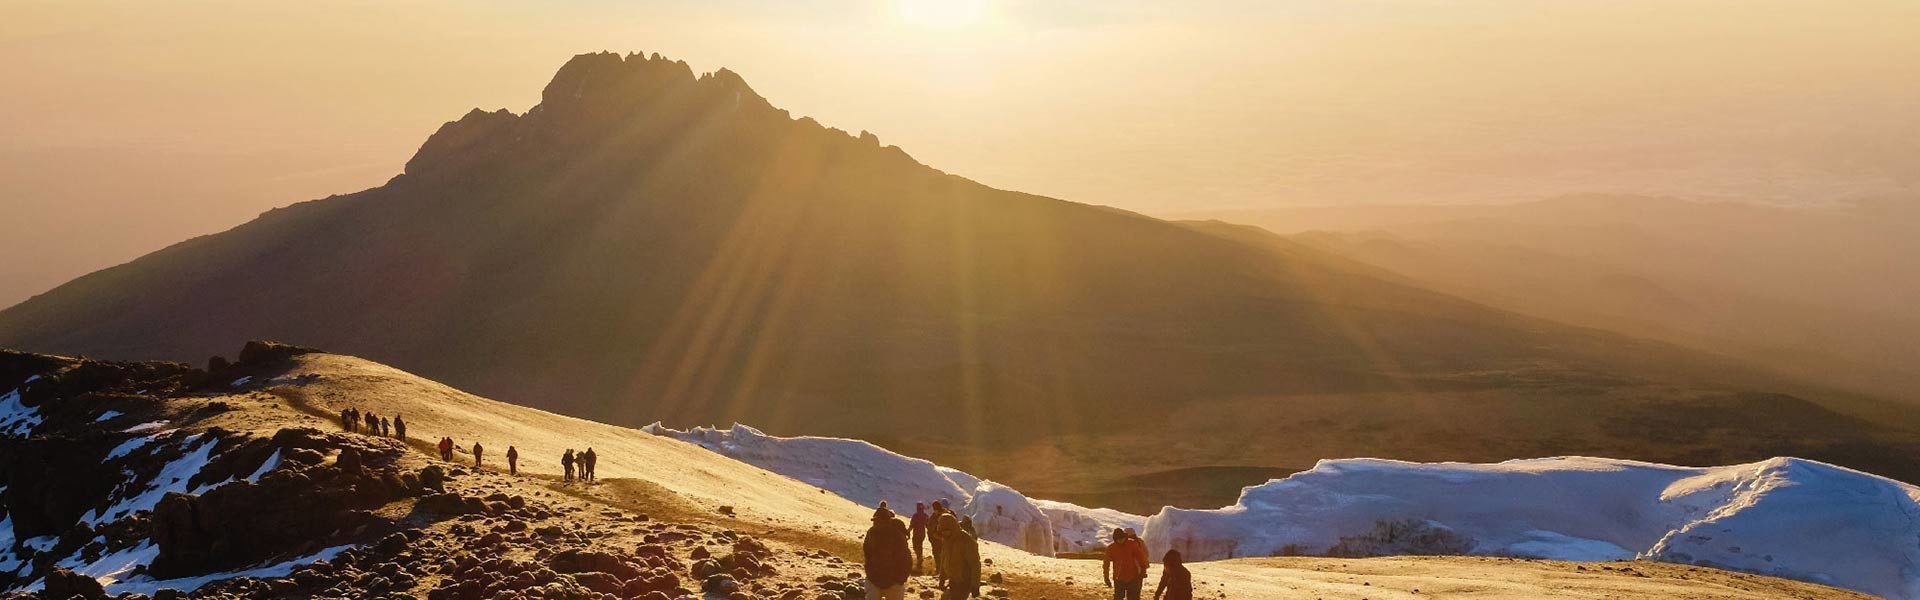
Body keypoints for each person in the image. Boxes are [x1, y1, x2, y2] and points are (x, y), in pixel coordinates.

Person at [862, 502, 912, 600]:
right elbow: (867, 553)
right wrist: (870, 572)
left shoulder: (897, 536)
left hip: (894, 582)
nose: (875, 523)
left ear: (886, 521)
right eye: (874, 521)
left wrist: (900, 579)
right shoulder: (871, 533)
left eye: (878, 521)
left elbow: (905, 558)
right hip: (874, 580)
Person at [935, 513, 979, 600]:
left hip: (964, 581)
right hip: (953, 579)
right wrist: (942, 578)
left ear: (952, 528)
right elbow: (944, 559)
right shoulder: (947, 540)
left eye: (946, 530)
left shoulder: (966, 541)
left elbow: (975, 564)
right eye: (942, 531)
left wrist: (975, 585)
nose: (944, 534)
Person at [1103, 528, 1150, 600]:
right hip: (1119, 578)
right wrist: (1106, 576)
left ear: (1124, 537)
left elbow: (1141, 556)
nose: (1121, 540)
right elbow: (1106, 563)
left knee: (1133, 598)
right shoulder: (1111, 548)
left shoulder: (1132, 544)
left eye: (1122, 538)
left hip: (1133, 577)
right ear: (1115, 539)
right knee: (1118, 597)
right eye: (1118, 539)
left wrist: (1143, 569)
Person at [928, 501, 949, 580]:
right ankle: (939, 570)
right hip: (935, 540)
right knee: (937, 555)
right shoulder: (934, 515)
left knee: (944, 556)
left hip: (943, 540)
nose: (934, 510)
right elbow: (930, 525)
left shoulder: (945, 515)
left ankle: (944, 572)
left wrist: (941, 536)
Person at [909, 502, 930, 574]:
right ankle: (919, 559)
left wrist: (908, 531)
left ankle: (919, 560)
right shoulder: (925, 515)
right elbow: (928, 525)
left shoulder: (915, 515)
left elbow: (912, 524)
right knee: (919, 546)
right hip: (921, 534)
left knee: (916, 546)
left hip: (917, 534)